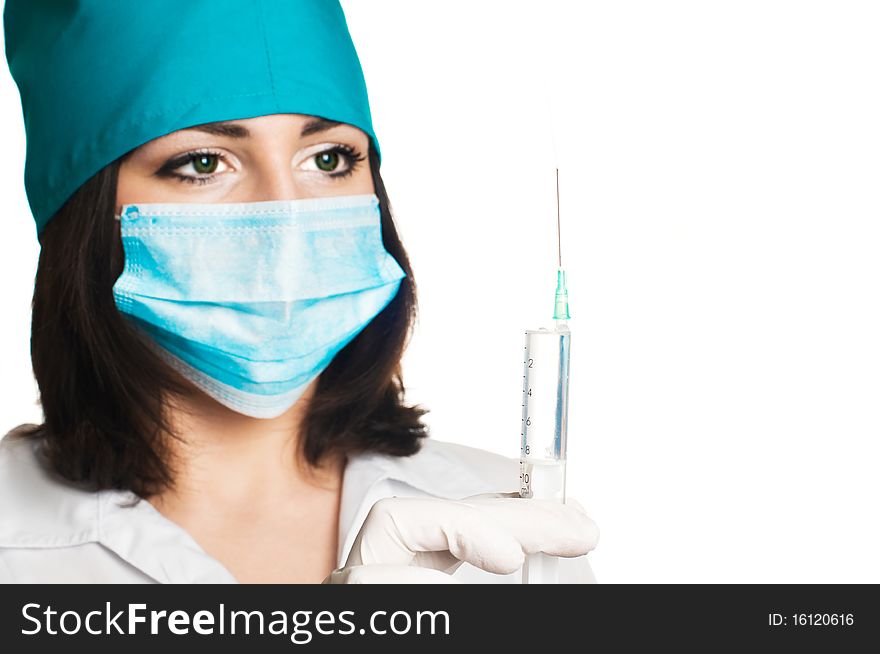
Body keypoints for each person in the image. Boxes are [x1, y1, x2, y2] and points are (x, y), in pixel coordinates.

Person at [0, 0, 598, 584]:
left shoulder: (504, 537)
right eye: (205, 164)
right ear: (84, 216)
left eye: (329, 158)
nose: (285, 217)